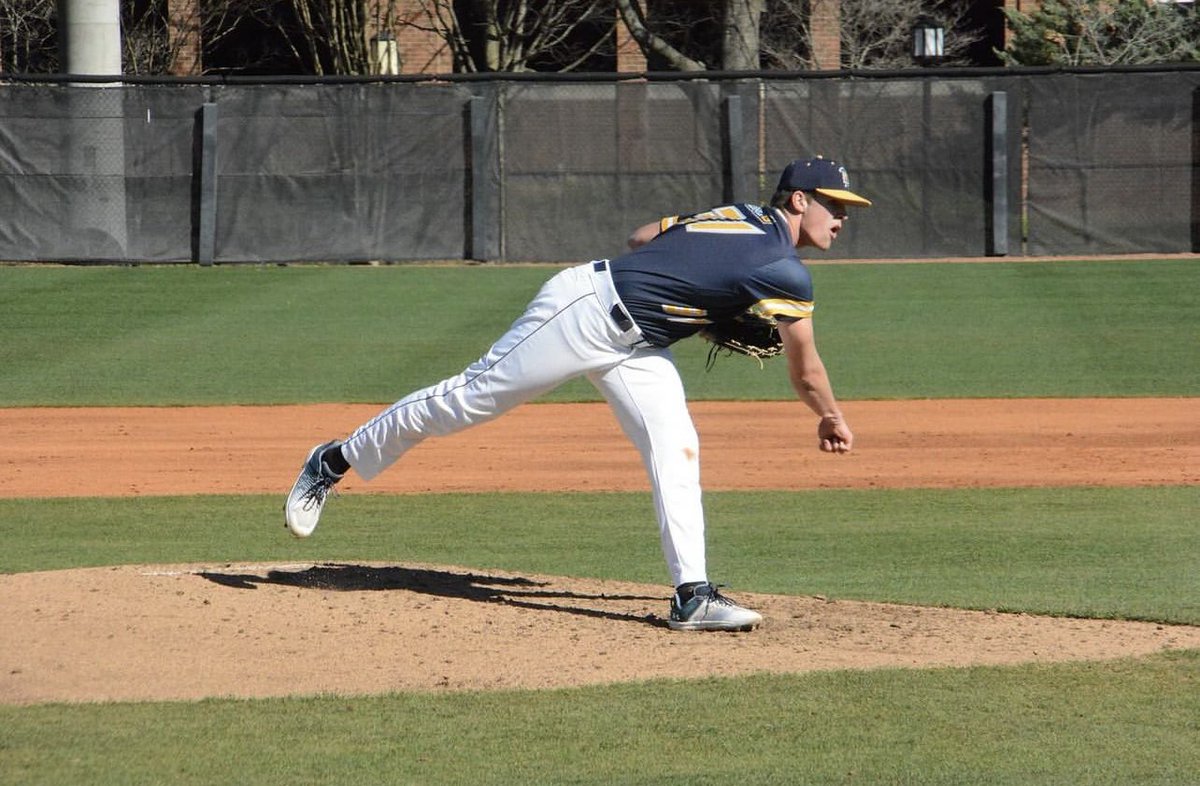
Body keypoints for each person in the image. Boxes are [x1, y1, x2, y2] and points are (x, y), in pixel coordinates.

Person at [285, 156, 871, 632]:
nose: (842, 218)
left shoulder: (735, 215)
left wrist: (693, 292)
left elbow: (642, 237)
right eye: (835, 205)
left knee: (676, 447)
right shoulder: (785, 270)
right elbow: (806, 370)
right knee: (468, 399)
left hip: (639, 345)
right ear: (800, 200)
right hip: (583, 313)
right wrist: (829, 416)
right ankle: (333, 460)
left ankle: (691, 596)